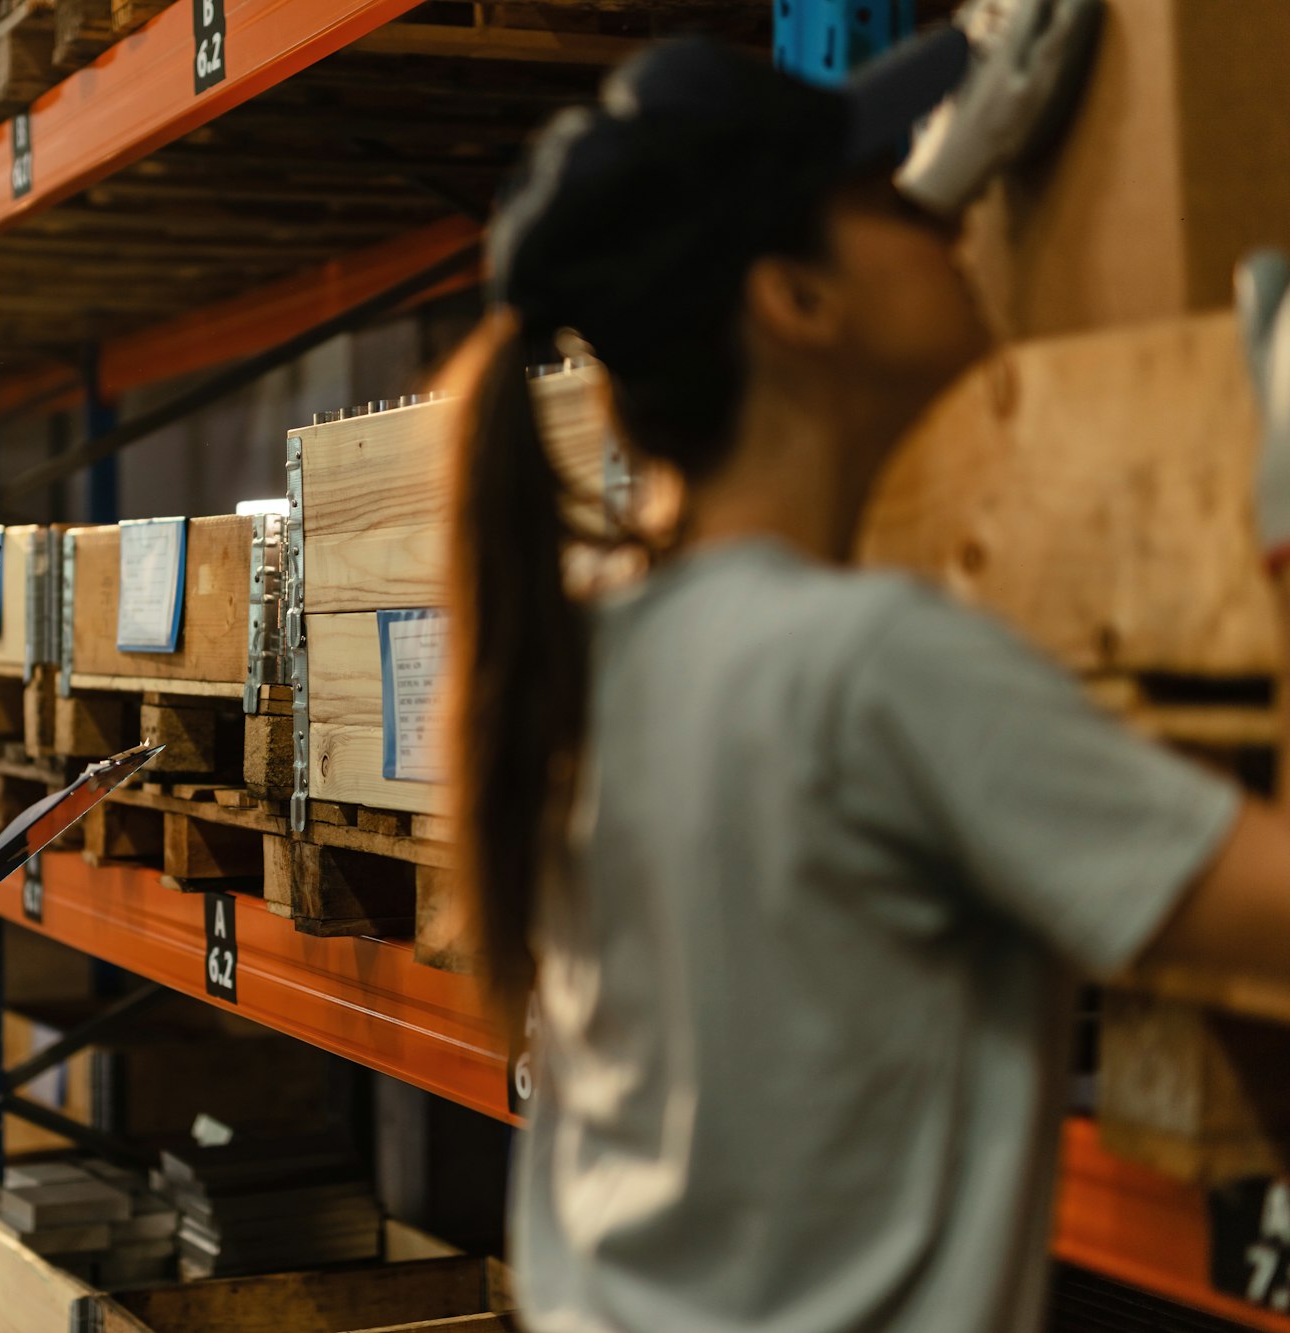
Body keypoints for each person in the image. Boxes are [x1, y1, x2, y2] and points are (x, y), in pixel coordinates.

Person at [442, 7, 1290, 1332]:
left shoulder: (598, 652)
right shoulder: (870, 671)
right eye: (888, 193)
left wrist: (893, 229)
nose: (942, 216)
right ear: (794, 301)